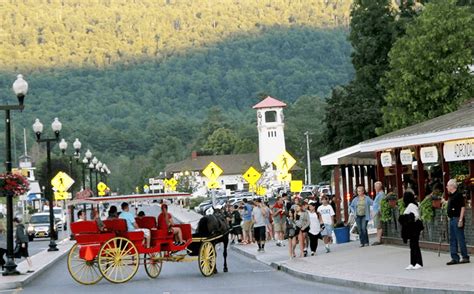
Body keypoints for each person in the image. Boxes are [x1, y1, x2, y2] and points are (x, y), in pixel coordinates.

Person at [446, 179, 470, 265]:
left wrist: (460, 219)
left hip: (457, 218)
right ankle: (454, 257)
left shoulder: (458, 195)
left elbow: (462, 208)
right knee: (452, 239)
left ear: (452, 186)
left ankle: (465, 256)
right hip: (452, 218)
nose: (447, 187)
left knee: (460, 238)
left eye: (448, 185)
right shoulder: (451, 195)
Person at [398, 191, 423, 270]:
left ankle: (418, 262)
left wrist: (408, 220)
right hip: (414, 228)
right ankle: (413, 262)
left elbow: (416, 215)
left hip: (414, 228)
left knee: (414, 245)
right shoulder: (411, 205)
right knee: (413, 245)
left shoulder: (411, 205)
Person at [372, 181, 385, 245]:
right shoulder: (378, 194)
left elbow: (381, 204)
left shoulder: (381, 194)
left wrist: (379, 212)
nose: (375, 188)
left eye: (376, 187)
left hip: (378, 212)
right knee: (378, 226)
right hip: (376, 212)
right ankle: (378, 239)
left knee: (379, 226)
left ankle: (379, 240)